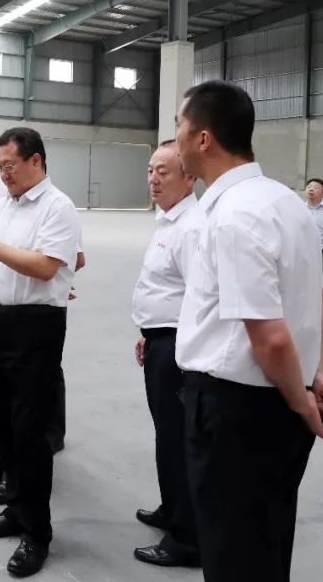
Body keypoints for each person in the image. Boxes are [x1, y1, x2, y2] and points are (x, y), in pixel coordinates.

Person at [174, 81, 323, 582]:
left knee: (233, 556)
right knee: (265, 544)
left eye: (179, 127)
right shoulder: (284, 202)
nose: (175, 138)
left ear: (203, 138)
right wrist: (314, 376)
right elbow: (312, 300)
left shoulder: (234, 215)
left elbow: (269, 335)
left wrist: (303, 403)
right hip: (273, 401)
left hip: (240, 413)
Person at [0, 127, 82, 578]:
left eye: (9, 165)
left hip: (33, 328)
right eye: (0, 166)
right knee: (0, 423)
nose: (3, 174)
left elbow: (45, 267)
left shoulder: (57, 207)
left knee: (30, 434)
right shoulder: (2, 205)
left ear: (36, 161)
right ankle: (15, 509)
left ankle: (37, 533)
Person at [130, 141, 204, 568]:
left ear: (189, 178)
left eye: (164, 172)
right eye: (150, 170)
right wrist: (149, 333)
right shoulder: (168, 221)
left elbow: (200, 297)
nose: (153, 179)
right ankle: (171, 508)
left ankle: (187, 539)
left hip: (179, 348)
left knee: (179, 440)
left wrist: (173, 343)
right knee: (166, 434)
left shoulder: (191, 227)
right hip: (161, 340)